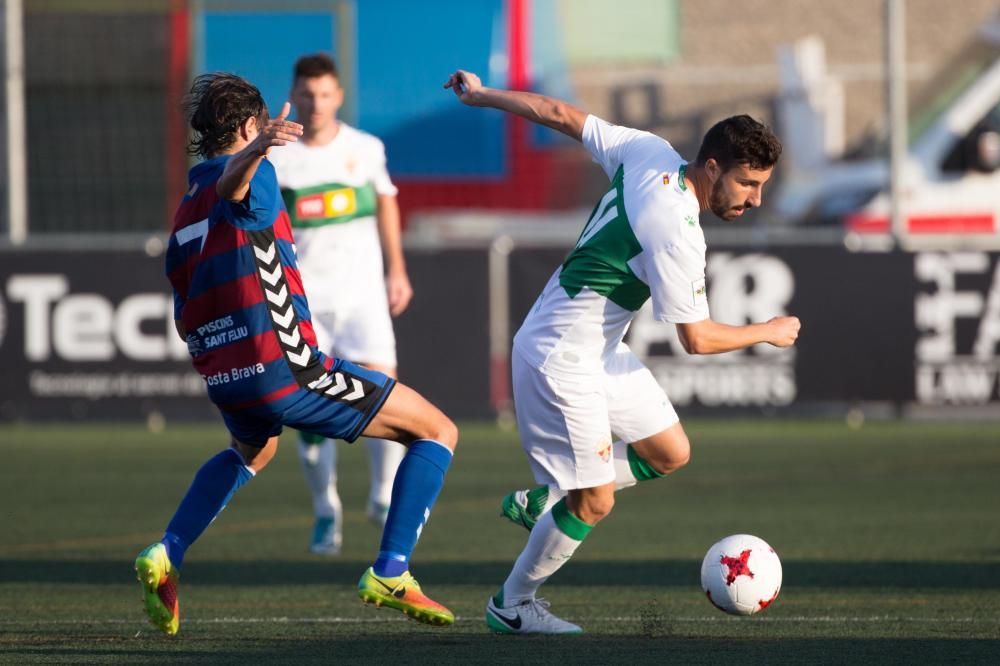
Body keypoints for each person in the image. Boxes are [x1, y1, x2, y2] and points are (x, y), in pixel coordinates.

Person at [444, 69, 800, 635]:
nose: (755, 198)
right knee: (596, 502)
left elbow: (560, 115)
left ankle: (549, 498)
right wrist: (768, 330)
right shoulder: (678, 231)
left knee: (669, 452)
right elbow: (697, 338)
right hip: (559, 356)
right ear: (712, 168)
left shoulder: (649, 150)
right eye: (747, 184)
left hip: (597, 349)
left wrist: (483, 94)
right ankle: (512, 604)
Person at [134, 72, 458, 636]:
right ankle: (391, 571)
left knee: (253, 453)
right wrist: (256, 153)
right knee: (436, 431)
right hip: (282, 365)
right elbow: (235, 191)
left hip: (225, 373)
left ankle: (168, 552)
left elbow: (183, 298)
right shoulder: (254, 175)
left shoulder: (186, 207)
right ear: (249, 126)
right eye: (258, 130)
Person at [268, 53, 410, 556]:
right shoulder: (279, 156)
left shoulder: (365, 148)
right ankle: (326, 510)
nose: (317, 103)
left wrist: (397, 269)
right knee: (310, 414)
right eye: (307, 94)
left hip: (363, 297)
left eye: (325, 94)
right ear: (294, 93)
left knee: (384, 393)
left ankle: (383, 495)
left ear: (339, 96)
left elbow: (387, 202)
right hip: (302, 303)